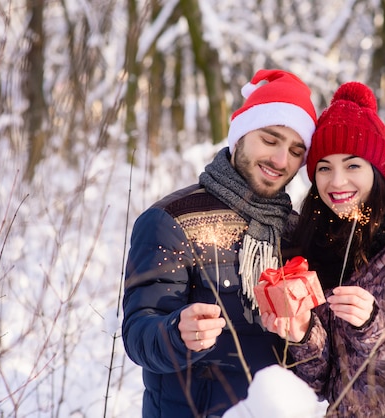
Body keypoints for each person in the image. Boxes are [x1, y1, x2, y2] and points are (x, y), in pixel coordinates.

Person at [122, 69, 318, 418]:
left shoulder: (294, 233)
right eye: (270, 140)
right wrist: (176, 332)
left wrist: (302, 334)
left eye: (295, 150)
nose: (280, 160)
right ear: (240, 136)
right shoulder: (171, 220)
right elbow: (138, 333)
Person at [261, 82, 385, 417]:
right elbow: (323, 383)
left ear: (377, 172)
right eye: (324, 168)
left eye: (352, 166)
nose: (337, 182)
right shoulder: (320, 247)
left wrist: (371, 325)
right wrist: (303, 333)